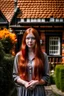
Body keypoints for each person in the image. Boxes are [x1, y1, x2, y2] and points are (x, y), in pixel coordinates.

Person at [13, 27, 49, 96]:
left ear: (37, 40)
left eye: (33, 38)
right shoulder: (18, 56)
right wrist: (25, 83)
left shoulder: (43, 56)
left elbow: (46, 77)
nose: (30, 41)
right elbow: (15, 76)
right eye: (27, 38)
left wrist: (37, 82)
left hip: (38, 91)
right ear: (24, 40)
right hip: (23, 91)